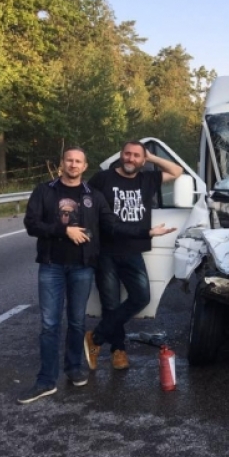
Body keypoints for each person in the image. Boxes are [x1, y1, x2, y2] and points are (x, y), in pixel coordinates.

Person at [19, 146, 175, 404]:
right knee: (49, 324)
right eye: (69, 160)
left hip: (82, 266)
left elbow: (112, 224)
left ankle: (74, 369)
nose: (73, 164)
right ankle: (46, 380)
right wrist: (64, 230)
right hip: (51, 265)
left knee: (77, 322)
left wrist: (146, 233)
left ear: (84, 166)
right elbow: (31, 224)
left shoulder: (93, 195)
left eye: (78, 161)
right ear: (62, 163)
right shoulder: (44, 191)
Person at [84, 140, 184, 371]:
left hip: (133, 249)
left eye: (137, 156)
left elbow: (176, 171)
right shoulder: (102, 179)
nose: (131, 158)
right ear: (121, 155)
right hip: (105, 250)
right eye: (127, 154)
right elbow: (87, 205)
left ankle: (95, 338)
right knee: (110, 304)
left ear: (142, 160)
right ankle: (118, 350)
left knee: (141, 297)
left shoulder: (147, 179)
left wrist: (152, 157)